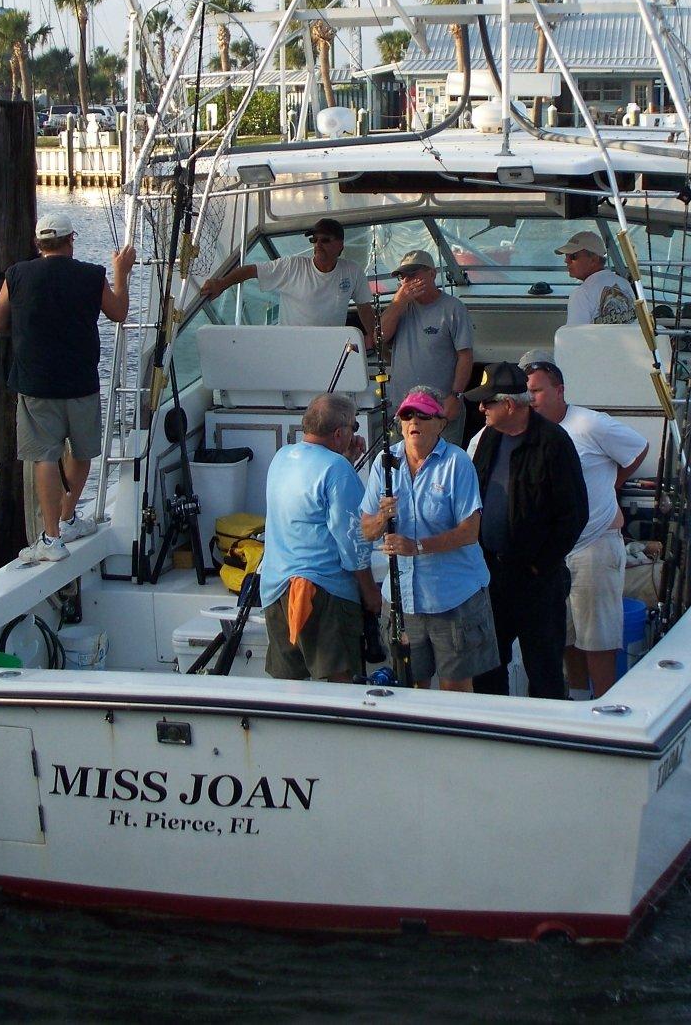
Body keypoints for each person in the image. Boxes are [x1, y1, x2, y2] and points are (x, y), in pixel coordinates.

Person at [0, 213, 136, 563]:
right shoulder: (91, 275)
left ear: (38, 244)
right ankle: (68, 516)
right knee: (82, 452)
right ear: (71, 240)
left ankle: (51, 536)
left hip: (35, 383)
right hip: (81, 381)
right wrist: (121, 272)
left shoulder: (16, 274)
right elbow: (118, 312)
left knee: (45, 456)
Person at [521, 351, 650, 698]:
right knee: (564, 634)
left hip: (594, 546)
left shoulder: (591, 424)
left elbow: (638, 448)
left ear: (560, 390)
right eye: (527, 392)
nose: (531, 398)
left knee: (598, 639)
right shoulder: (526, 430)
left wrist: (612, 484)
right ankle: (578, 698)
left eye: (537, 390)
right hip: (552, 554)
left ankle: (604, 703)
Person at [461, 361, 588, 700]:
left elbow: (574, 514)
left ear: (509, 404)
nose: (481, 408)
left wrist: (538, 564)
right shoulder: (489, 437)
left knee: (544, 671)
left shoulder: (554, 442)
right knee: (488, 669)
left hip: (537, 581)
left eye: (488, 402)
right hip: (491, 575)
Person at [359, 385, 496, 692]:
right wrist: (381, 518)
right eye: (407, 415)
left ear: (441, 424)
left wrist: (417, 547)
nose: (414, 421)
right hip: (403, 601)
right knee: (411, 687)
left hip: (453, 599)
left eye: (423, 415)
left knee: (455, 690)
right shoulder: (385, 462)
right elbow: (366, 529)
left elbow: (470, 531)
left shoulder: (457, 463)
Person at [259, 393, 371, 682]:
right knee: (339, 684)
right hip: (322, 593)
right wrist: (370, 593)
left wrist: (345, 458)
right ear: (339, 433)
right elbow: (352, 541)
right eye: (353, 427)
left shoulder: (281, 457)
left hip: (277, 589)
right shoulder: (337, 470)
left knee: (290, 685)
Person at [199, 216, 376, 344]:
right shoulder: (292, 266)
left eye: (325, 240)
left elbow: (364, 308)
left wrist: (376, 340)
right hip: (291, 344)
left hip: (331, 344)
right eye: (314, 240)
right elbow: (251, 270)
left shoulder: (352, 271)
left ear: (340, 245)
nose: (318, 245)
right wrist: (221, 284)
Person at [378, 249, 475, 442]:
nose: (408, 281)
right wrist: (397, 302)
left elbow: (465, 356)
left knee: (442, 458)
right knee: (401, 458)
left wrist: (456, 395)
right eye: (403, 277)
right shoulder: (399, 308)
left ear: (432, 274)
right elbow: (379, 338)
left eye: (413, 274)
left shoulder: (453, 308)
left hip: (440, 407)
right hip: (403, 408)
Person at [555, 230, 638, 326]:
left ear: (594, 259)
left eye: (573, 256)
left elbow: (575, 334)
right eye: (566, 256)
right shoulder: (624, 283)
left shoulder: (581, 294)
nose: (566, 260)